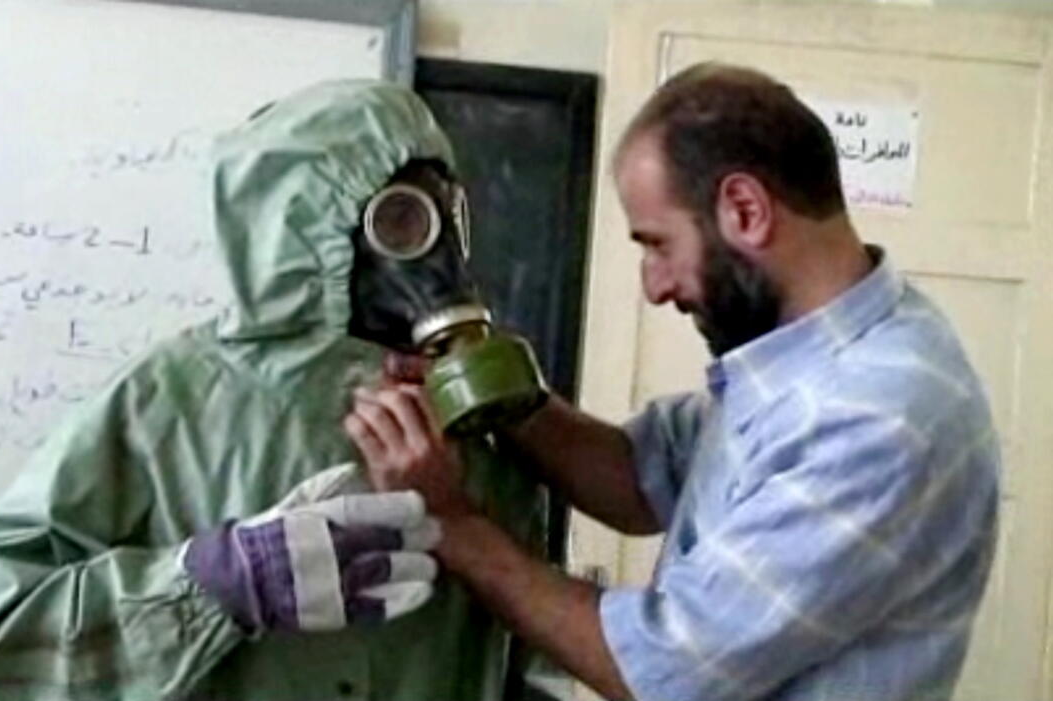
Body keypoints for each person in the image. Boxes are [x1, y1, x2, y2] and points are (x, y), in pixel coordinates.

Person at [344, 63, 1001, 701]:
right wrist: (497, 391)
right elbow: (637, 477)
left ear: (745, 209)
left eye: (657, 244)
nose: (654, 286)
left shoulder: (879, 414)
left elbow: (661, 673)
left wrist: (447, 522)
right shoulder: (811, 359)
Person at [0, 81, 546, 701]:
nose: (441, 258)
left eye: (449, 217)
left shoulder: (470, 425)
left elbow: (516, 656)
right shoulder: (168, 403)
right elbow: (5, 639)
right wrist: (212, 585)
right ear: (304, 228)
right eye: (402, 222)